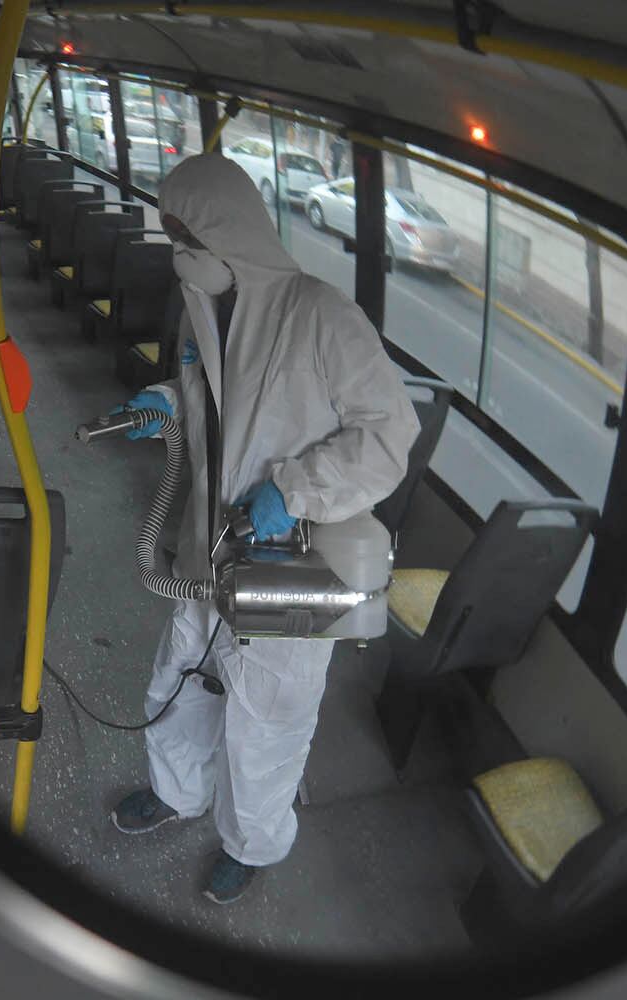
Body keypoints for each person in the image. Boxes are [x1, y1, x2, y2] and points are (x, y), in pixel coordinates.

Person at [109, 153, 420, 904]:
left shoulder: (321, 315)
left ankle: (250, 842)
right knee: (180, 679)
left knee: (267, 721)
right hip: (206, 546)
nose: (175, 245)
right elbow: (207, 399)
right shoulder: (198, 301)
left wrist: (296, 489)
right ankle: (176, 791)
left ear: (226, 228)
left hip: (288, 560)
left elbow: (389, 436)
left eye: (185, 232)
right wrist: (162, 400)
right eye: (171, 231)